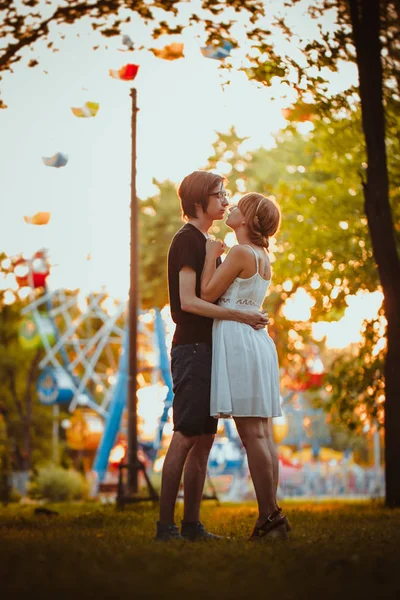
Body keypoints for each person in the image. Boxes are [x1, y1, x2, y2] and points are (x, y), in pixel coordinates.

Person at [155, 172, 269, 542]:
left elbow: (215, 293)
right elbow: (188, 302)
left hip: (212, 351)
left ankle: (191, 525)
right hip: (192, 349)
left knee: (204, 439)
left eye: (225, 194)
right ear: (199, 202)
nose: (225, 200)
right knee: (185, 434)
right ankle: (165, 527)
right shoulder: (187, 240)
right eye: (218, 195)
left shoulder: (210, 244)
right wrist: (242, 315)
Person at [200, 192, 291, 540]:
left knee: (253, 434)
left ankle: (269, 517)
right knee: (263, 434)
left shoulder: (239, 252)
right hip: (257, 343)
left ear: (248, 218)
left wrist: (211, 255)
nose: (231, 207)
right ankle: (272, 515)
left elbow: (207, 293)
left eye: (238, 205)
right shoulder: (262, 255)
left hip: (239, 341)